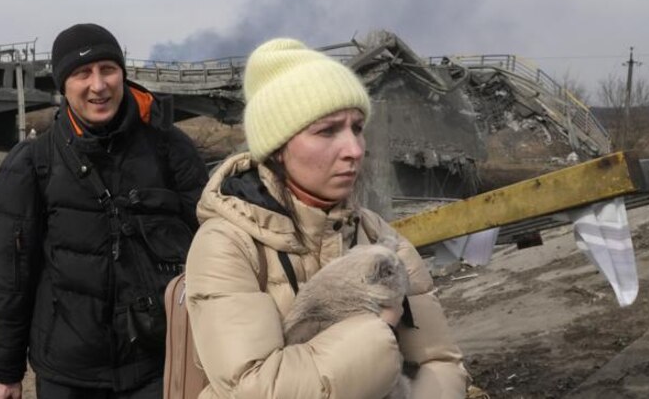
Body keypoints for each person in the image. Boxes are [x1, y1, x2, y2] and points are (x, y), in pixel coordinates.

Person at [184, 39, 469, 398]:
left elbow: (438, 360)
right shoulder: (227, 244)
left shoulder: (376, 233)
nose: (353, 150)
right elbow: (256, 388)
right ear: (278, 149)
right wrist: (378, 329)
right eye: (327, 131)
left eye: (357, 128)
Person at [0, 23, 209, 399]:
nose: (98, 85)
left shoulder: (170, 149)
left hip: (157, 363)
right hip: (66, 370)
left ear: (123, 74)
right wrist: (5, 370)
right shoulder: (32, 163)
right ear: (63, 85)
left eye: (108, 69)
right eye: (81, 73)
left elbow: (212, 246)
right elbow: (11, 275)